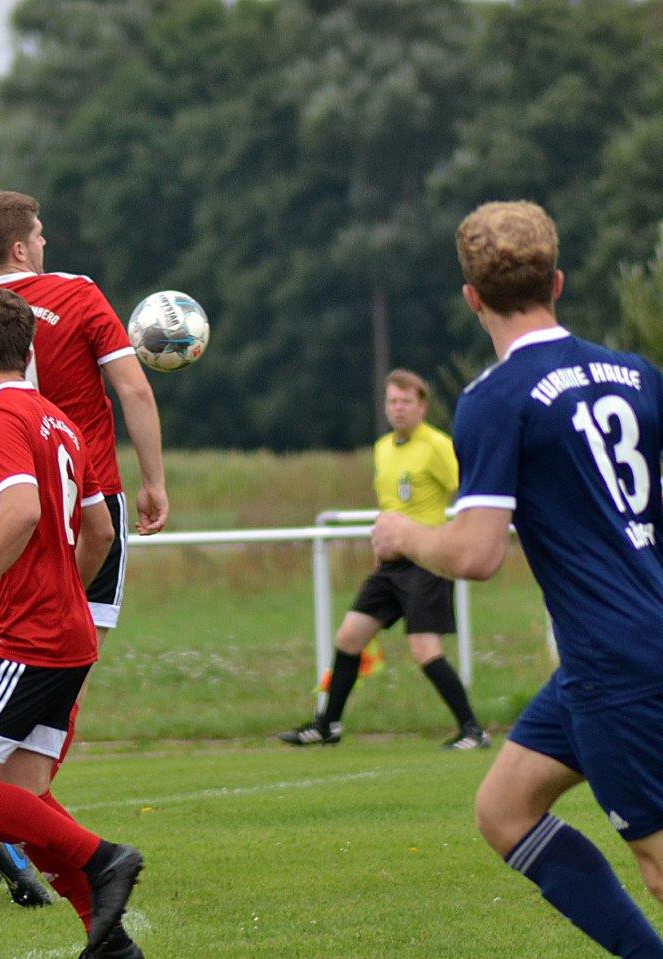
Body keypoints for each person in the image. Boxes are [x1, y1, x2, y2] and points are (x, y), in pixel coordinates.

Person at [372, 200, 663, 956]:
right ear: (557, 281)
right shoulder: (637, 375)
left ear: (472, 298)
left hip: (614, 659)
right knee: (505, 809)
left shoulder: (495, 398)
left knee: (658, 860)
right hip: (617, 649)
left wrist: (402, 533)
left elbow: (477, 554)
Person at [0, 190, 168, 897]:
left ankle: (1, 817)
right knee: (63, 673)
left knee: (15, 661)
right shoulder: (77, 293)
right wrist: (155, 479)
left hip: (1, 518)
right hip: (84, 501)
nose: (45, 243)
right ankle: (2, 819)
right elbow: (133, 390)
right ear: (19, 246)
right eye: (39, 234)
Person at [0, 286, 143, 959]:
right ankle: (110, 942)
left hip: (26, 638)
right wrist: (62, 588)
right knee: (22, 798)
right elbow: (100, 530)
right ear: (29, 352)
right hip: (68, 635)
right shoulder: (59, 421)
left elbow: (20, 509)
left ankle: (103, 858)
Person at [279, 369, 488, 750]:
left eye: (406, 401)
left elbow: (469, 490)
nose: (398, 408)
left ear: (422, 407)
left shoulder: (437, 446)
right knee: (349, 638)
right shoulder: (383, 448)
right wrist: (381, 548)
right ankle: (328, 725)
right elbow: (391, 507)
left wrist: (453, 540)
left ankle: (473, 730)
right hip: (391, 567)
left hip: (427, 562)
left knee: (425, 650)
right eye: (392, 401)